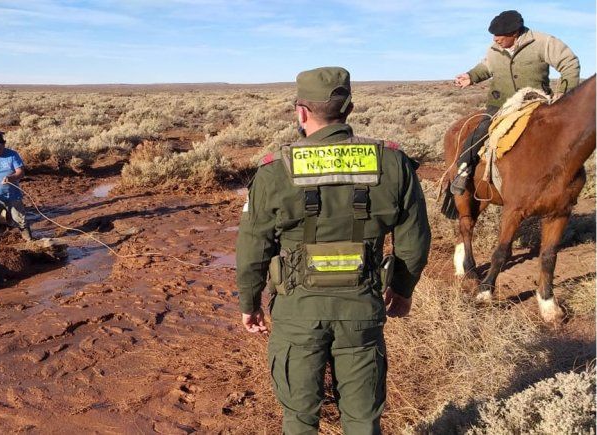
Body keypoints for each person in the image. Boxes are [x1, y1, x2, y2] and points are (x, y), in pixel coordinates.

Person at [236, 67, 431, 435]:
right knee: (362, 419)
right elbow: (415, 241)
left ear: (302, 112)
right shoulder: (392, 163)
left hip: (297, 314)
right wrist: (402, 290)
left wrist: (250, 304)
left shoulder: (275, 170)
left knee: (299, 416)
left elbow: (252, 249)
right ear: (350, 109)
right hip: (361, 311)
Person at [450, 9, 580, 194]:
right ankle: (463, 170)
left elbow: (569, 62)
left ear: (514, 33)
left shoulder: (543, 42)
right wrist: (471, 76)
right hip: (500, 102)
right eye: (494, 35)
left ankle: (567, 178)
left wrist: (563, 93)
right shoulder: (494, 48)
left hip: (535, 102)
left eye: (499, 36)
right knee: (479, 133)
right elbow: (487, 66)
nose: (495, 39)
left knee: (562, 135)